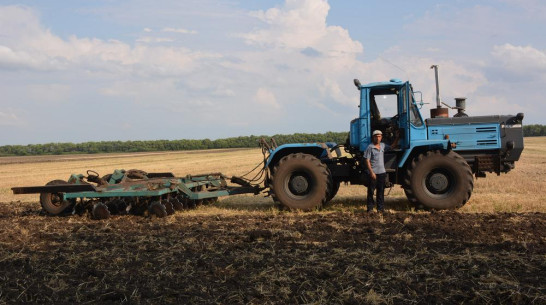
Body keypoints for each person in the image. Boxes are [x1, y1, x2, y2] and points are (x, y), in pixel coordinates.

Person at [364, 130, 399, 213]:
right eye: (376, 136)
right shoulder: (370, 147)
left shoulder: (383, 146)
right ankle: (370, 209)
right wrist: (371, 172)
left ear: (381, 137)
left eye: (379, 136)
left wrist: (397, 137)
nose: (378, 138)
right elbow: (367, 160)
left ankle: (380, 209)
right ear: (373, 137)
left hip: (382, 172)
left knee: (381, 191)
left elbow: (392, 146)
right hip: (373, 173)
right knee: (371, 191)